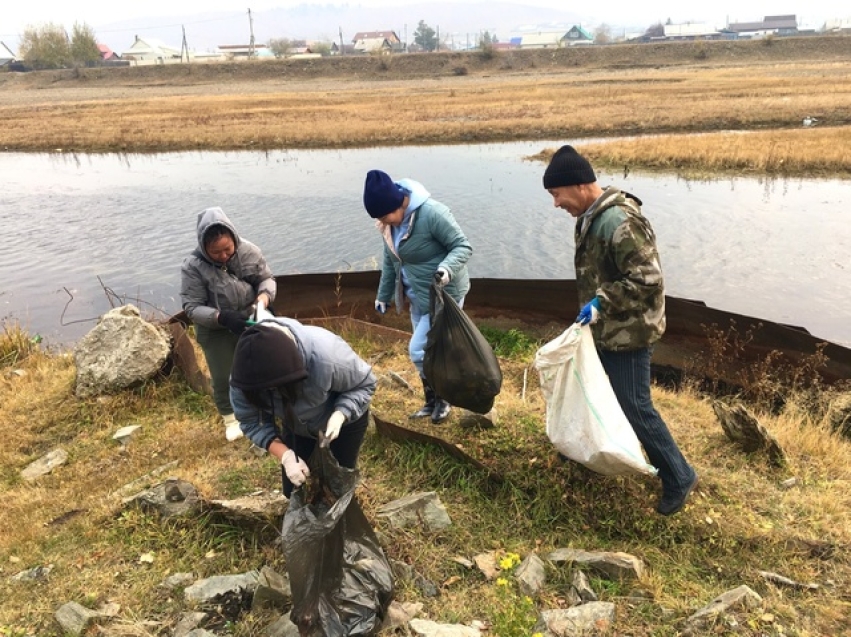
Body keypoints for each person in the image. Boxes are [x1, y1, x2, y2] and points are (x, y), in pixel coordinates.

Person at [542, 144, 699, 516]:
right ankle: (592, 455)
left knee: (635, 405)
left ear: (578, 185)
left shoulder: (619, 221)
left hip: (630, 332)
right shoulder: (590, 216)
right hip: (607, 329)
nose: (555, 204)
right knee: (604, 395)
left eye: (556, 194)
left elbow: (648, 279)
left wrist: (600, 303)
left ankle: (679, 475)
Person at [362, 169, 473, 424]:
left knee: (418, 351)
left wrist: (446, 269)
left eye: (385, 215)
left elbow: (463, 246)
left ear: (398, 202)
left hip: (444, 295)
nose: (383, 221)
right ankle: (431, 400)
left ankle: (444, 398)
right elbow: (390, 262)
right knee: (428, 352)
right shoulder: (388, 226)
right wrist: (383, 295)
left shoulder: (432, 213)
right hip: (417, 298)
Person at [229, 317, 376, 496]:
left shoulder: (328, 358)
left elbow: (364, 384)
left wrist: (341, 414)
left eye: (277, 388)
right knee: (294, 490)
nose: (272, 392)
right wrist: (286, 456)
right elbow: (251, 421)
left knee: (338, 486)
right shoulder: (244, 375)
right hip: (296, 427)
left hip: (344, 423)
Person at [180, 206, 276, 441]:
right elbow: (191, 307)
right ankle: (230, 418)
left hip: (249, 317)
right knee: (225, 376)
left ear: (233, 238)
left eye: (227, 249)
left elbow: (266, 279)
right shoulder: (193, 267)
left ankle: (264, 407)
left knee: (260, 365)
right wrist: (220, 317)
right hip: (216, 327)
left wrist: (263, 300)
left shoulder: (249, 251)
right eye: (216, 252)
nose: (223, 256)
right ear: (204, 248)